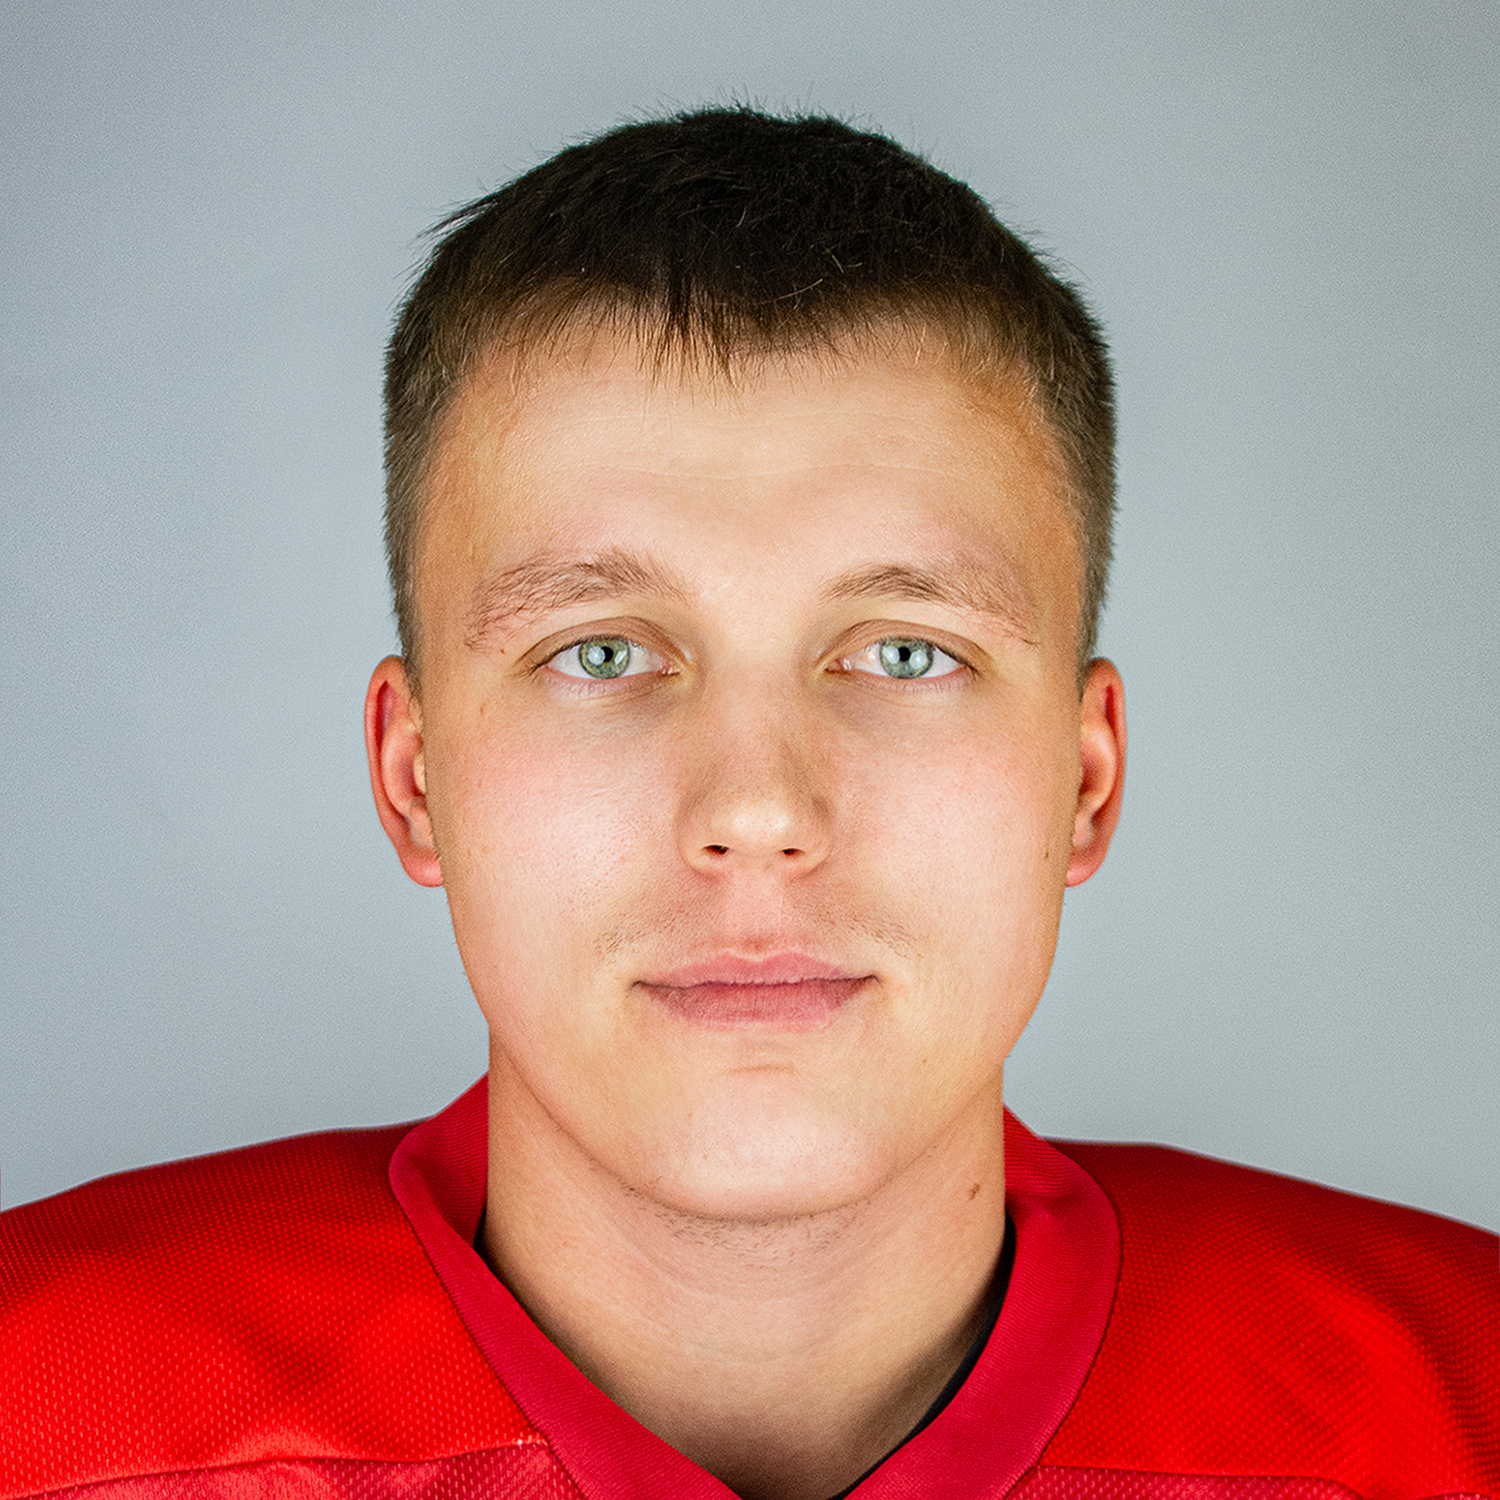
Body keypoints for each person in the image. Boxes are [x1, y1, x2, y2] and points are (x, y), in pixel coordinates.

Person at [2, 108, 1495, 1500]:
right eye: (601, 653)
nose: (760, 809)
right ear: (415, 780)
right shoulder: (37, 1404)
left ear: (1085, 780)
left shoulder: (1464, 1403)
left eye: (905, 653)